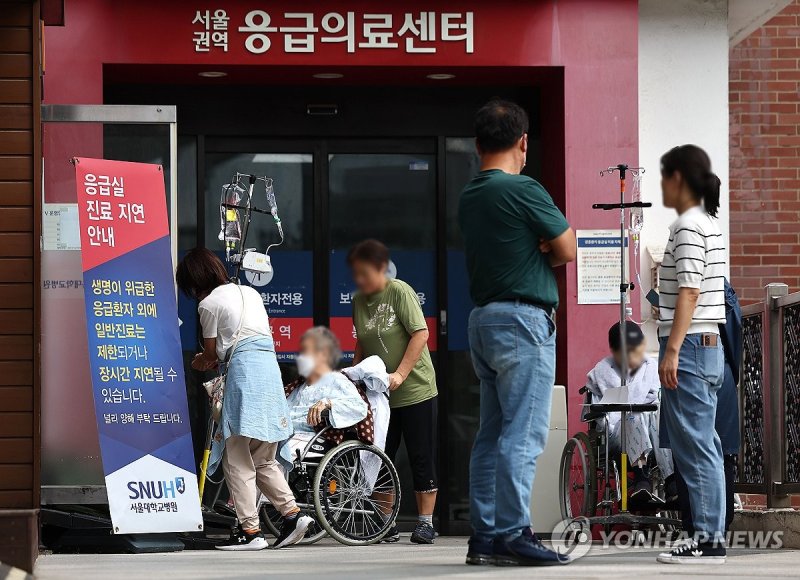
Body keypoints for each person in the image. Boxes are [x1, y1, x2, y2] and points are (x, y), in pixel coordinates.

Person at [459, 99, 576, 567]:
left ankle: (484, 538)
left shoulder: (471, 195)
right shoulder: (524, 190)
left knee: (490, 434)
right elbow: (566, 247)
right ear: (523, 142)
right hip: (523, 322)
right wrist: (541, 243)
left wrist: (531, 245)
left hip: (483, 321)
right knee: (523, 435)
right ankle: (513, 532)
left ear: (476, 145)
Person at [176, 248, 312, 551]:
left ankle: (250, 532)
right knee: (263, 456)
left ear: (195, 281)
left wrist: (199, 362)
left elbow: (211, 355)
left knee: (235, 455)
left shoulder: (208, 304)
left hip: (245, 374)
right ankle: (292, 514)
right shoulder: (249, 293)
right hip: (269, 372)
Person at [654, 145, 728, 565]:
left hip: (692, 346)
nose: (663, 185)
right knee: (706, 445)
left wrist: (672, 350)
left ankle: (707, 538)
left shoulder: (686, 226)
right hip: (708, 345)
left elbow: (689, 289)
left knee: (695, 447)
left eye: (665, 176)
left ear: (678, 177)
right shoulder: (707, 223)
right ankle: (709, 535)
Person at [349, 239, 439, 545]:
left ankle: (425, 523)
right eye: (356, 274)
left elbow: (421, 332)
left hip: (415, 390)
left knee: (420, 455)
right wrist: (353, 376)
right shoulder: (358, 300)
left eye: (365, 273)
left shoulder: (399, 290)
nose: (360, 280)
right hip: (379, 394)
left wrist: (401, 373)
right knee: (380, 456)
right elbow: (361, 342)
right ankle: (385, 523)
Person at [672, 278, 741, 535]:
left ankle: (698, 528)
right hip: (719, 366)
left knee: (688, 447)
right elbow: (734, 331)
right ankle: (719, 523)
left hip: (687, 363)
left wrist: (671, 352)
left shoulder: (685, 281)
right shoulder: (720, 287)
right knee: (720, 450)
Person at [586, 322, 674, 503]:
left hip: (651, 429)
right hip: (616, 431)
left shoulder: (651, 367)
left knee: (658, 415)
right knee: (632, 415)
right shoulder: (603, 371)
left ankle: (672, 480)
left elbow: (657, 397)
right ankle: (642, 478)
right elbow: (602, 413)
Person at [285, 326, 369, 455]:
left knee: (275, 456)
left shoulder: (336, 380)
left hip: (312, 438)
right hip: (285, 436)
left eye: (306, 352)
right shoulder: (297, 387)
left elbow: (359, 407)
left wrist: (328, 403)